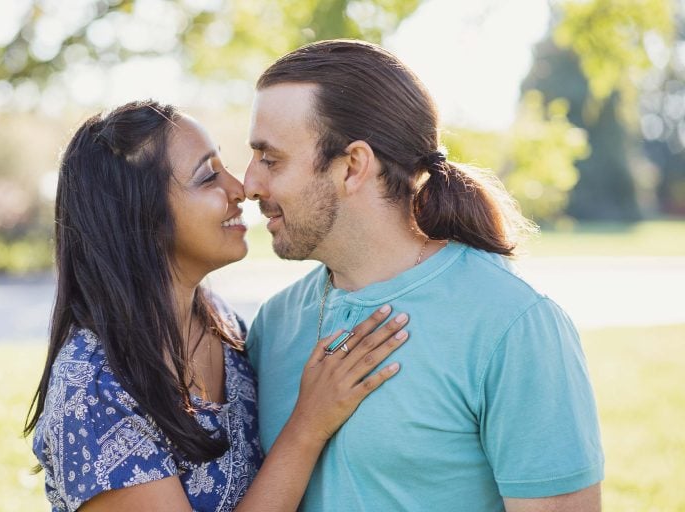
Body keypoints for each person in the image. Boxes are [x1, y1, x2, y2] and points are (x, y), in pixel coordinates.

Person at [243, 39, 604, 511]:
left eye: (271, 160)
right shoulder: (275, 323)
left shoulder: (513, 325)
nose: (249, 184)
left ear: (352, 167)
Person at [24, 100, 412, 512]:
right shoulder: (95, 389)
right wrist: (307, 427)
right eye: (209, 177)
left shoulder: (221, 325)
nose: (240, 189)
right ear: (142, 219)